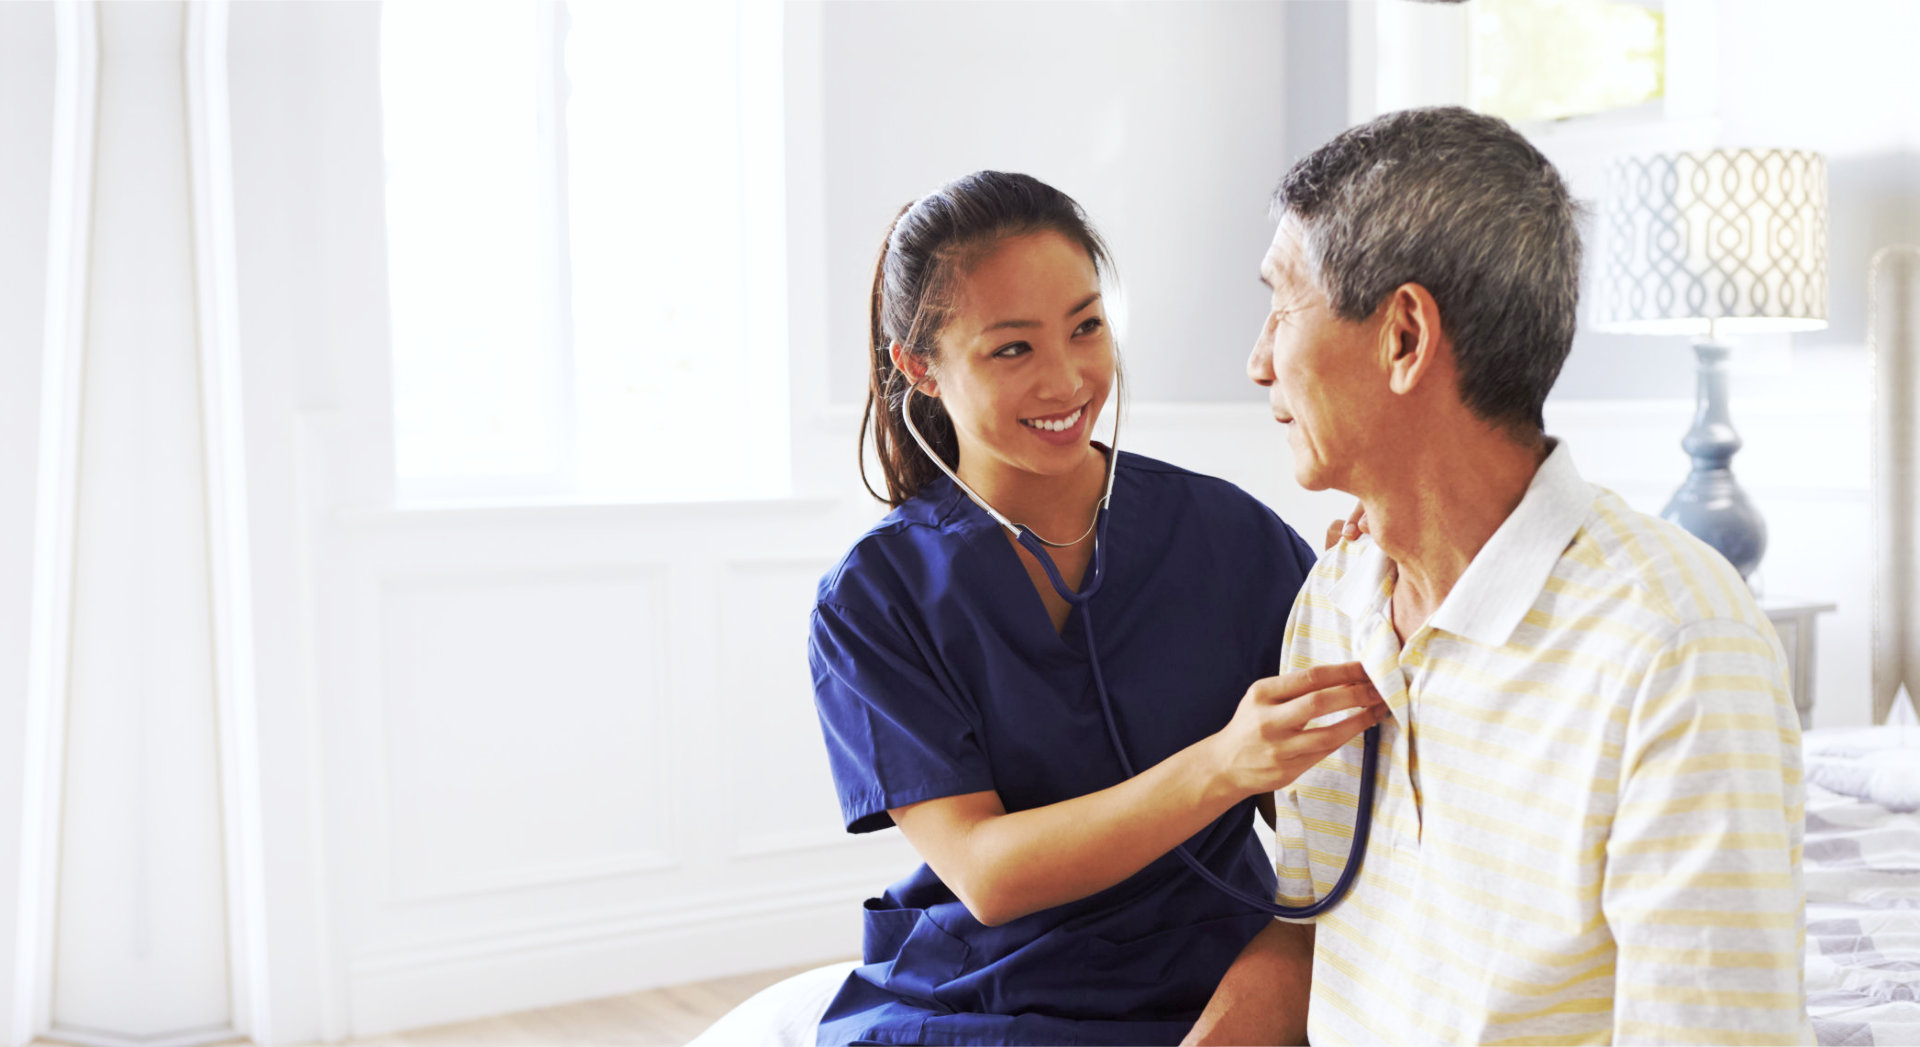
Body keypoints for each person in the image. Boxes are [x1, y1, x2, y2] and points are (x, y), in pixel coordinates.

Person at [1185, 107, 1812, 1045]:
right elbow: (1319, 937)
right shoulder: (1333, 603)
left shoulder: (1677, 648)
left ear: (1404, 337)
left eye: (1283, 304)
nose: (1257, 359)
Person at [807, 171, 1385, 1046]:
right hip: (980, 992)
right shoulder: (874, 597)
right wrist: (1225, 764)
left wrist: (1379, 586)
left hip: (1208, 972)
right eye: (1013, 349)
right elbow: (987, 872)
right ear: (919, 367)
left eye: (1086, 326)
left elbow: (1340, 828)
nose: (1070, 378)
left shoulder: (1227, 535)